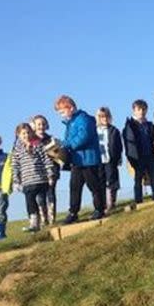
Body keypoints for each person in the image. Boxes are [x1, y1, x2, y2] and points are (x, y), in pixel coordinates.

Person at [54, 95, 104, 223]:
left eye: (62, 112)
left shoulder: (84, 119)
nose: (62, 115)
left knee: (93, 185)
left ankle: (99, 209)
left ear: (70, 108)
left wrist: (67, 144)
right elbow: (71, 138)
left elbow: (83, 136)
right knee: (74, 186)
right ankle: (73, 212)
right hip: (77, 161)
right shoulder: (70, 123)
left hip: (88, 159)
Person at [11, 123, 55, 232]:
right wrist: (16, 180)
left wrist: (50, 175)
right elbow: (15, 165)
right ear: (19, 135)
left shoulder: (38, 145)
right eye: (23, 133)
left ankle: (47, 220)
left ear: (32, 132)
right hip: (27, 181)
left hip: (41, 179)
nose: (26, 135)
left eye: (28, 132)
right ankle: (34, 222)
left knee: (43, 201)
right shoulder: (17, 149)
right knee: (30, 201)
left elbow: (46, 160)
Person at [122, 99, 154, 204]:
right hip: (138, 156)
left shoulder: (150, 125)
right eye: (138, 109)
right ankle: (138, 199)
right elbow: (128, 142)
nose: (141, 112)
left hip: (150, 154)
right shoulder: (130, 126)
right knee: (138, 178)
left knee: (153, 175)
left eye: (143, 109)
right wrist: (130, 156)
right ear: (134, 110)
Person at [31, 114, 60, 224]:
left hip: (51, 173)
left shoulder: (51, 139)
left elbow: (57, 158)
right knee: (40, 197)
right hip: (37, 174)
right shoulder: (31, 141)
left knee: (50, 194)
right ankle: (43, 220)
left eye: (43, 124)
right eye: (38, 124)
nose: (41, 126)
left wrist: (54, 173)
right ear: (34, 126)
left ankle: (52, 218)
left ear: (46, 125)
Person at [95, 107, 123, 210]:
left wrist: (119, 158)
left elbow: (119, 146)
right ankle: (102, 204)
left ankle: (111, 202)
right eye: (102, 117)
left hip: (111, 159)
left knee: (112, 180)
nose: (105, 119)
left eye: (106, 116)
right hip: (99, 160)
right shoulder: (95, 131)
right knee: (100, 181)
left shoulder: (114, 130)